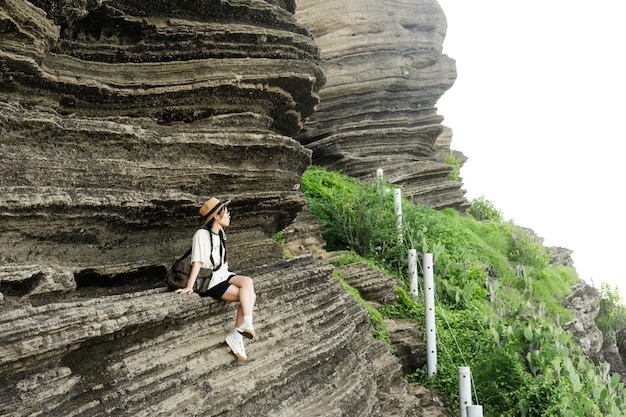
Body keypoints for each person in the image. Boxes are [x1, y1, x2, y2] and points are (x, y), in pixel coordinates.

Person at [176, 197, 256, 361]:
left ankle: (243, 328)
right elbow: (197, 262)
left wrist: (232, 278)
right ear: (216, 217)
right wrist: (190, 286)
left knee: (247, 283)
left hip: (223, 276)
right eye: (226, 212)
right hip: (211, 281)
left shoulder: (221, 235)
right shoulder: (201, 234)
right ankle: (238, 335)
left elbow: (224, 265)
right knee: (248, 296)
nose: (229, 215)